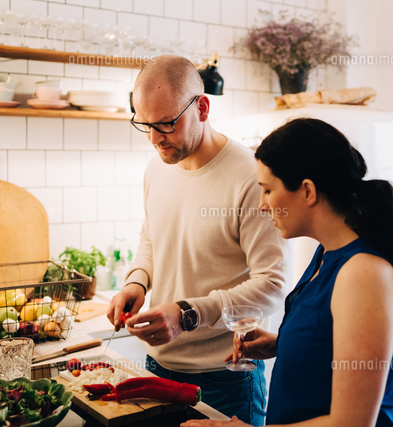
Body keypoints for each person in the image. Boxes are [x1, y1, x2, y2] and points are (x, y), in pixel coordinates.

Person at [181, 118, 393, 427]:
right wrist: (282, 343)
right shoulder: (326, 254)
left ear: (307, 191)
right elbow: (331, 343)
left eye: (268, 190)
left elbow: (351, 422)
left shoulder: (365, 274)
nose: (262, 205)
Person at [106, 55, 291, 426]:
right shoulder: (158, 167)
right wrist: (136, 282)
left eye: (166, 124)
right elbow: (152, 239)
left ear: (202, 107)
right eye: (145, 125)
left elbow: (273, 284)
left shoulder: (250, 177)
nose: (156, 139)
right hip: (157, 367)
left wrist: (188, 313)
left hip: (225, 376)